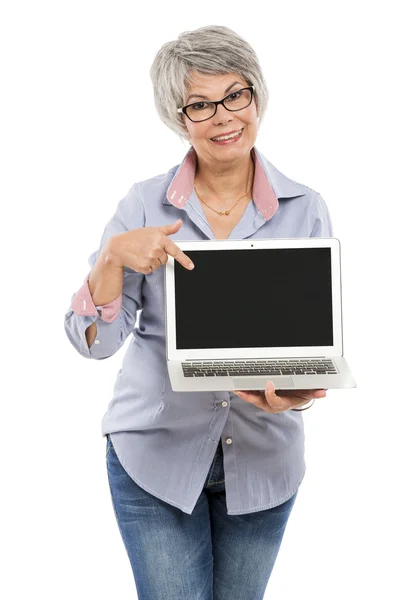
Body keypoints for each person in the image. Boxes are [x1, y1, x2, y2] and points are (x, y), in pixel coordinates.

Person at [64, 25, 331, 600]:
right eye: (200, 104)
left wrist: (298, 391)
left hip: (264, 460)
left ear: (256, 96)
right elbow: (94, 344)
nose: (223, 116)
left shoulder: (307, 208)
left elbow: (310, 348)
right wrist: (112, 258)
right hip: (152, 455)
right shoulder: (143, 203)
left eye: (236, 94)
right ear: (178, 117)